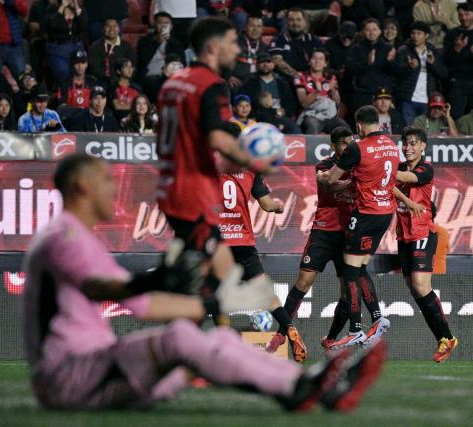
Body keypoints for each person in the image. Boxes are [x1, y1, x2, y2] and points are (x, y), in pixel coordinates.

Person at [23, 153, 386, 411]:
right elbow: (104, 289)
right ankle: (299, 387)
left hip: (94, 371)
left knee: (215, 337)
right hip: (72, 377)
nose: (113, 188)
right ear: (83, 185)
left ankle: (318, 383)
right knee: (180, 338)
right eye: (105, 180)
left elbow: (143, 304)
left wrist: (213, 306)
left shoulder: (74, 236)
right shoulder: (65, 237)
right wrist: (160, 278)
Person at [156, 17, 284, 328]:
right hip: (193, 193)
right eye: (231, 41)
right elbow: (217, 138)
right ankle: (183, 347)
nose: (237, 48)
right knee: (204, 280)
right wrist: (255, 161)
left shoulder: (173, 83)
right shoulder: (211, 85)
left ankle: (210, 344)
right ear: (213, 47)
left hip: (170, 187)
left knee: (214, 271)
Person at [269, 126, 379, 354]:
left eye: (351, 142)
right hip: (323, 232)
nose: (348, 146)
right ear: (334, 146)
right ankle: (281, 334)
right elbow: (327, 182)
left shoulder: (359, 166)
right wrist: (354, 183)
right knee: (303, 282)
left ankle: (330, 339)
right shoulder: (326, 165)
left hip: (349, 235)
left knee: (348, 292)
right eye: (343, 143)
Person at [317, 106, 398, 349]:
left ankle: (355, 330)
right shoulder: (392, 145)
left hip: (365, 214)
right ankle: (377, 317)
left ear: (360, 125)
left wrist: (322, 178)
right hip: (386, 214)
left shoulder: (357, 147)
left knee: (350, 272)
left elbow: (330, 180)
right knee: (360, 268)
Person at [217, 167, 308, 362]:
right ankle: (289, 328)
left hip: (220, 245)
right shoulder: (249, 170)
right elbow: (267, 205)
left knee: (222, 297)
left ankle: (223, 350)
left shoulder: (209, 166)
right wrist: (279, 207)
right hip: (243, 243)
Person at [394, 127, 458, 363]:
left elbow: (404, 179)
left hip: (423, 231)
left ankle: (448, 337)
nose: (408, 148)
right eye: (405, 143)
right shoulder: (397, 168)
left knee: (421, 286)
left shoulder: (425, 168)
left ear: (423, 146)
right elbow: (387, 185)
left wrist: (380, 168)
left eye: (413, 143)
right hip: (403, 235)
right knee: (415, 290)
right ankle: (443, 338)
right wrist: (407, 200)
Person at [392, 21, 448, 126]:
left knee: (426, 132)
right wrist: (409, 67)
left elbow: (444, 74)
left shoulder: (433, 51)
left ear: (426, 35)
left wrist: (433, 64)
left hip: (428, 100)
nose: (415, 36)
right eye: (413, 33)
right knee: (409, 131)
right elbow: (396, 72)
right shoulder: (404, 50)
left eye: (419, 33)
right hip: (408, 100)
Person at [443, 3, 473, 119]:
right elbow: (446, 62)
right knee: (456, 116)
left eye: (467, 14)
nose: (463, 18)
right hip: (457, 83)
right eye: (460, 15)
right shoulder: (451, 35)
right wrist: (457, 49)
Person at [294, 48, 349, 134]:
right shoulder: (301, 76)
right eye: (314, 58)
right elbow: (303, 103)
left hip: (328, 116)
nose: (317, 61)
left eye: (321, 59)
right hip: (310, 115)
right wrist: (317, 92)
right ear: (309, 61)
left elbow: (337, 101)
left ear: (325, 63)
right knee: (312, 125)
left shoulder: (330, 78)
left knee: (343, 126)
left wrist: (333, 90)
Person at [347, 18, 394, 113]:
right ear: (363, 31)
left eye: (375, 29)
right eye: (368, 30)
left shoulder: (388, 48)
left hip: (382, 94)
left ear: (380, 31)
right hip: (362, 93)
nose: (371, 33)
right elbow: (351, 69)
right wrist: (367, 63)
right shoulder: (356, 48)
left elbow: (394, 72)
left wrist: (391, 62)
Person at [240, 52, 299, 123]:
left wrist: (284, 111)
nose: (265, 65)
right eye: (262, 62)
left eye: (268, 62)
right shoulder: (250, 82)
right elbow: (244, 100)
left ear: (273, 65)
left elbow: (291, 103)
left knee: (294, 130)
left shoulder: (282, 82)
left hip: (279, 116)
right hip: (258, 117)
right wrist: (252, 116)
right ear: (257, 65)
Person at [269, 8, 324, 77]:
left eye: (299, 19)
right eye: (291, 20)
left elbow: (323, 61)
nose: (295, 23)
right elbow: (277, 61)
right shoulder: (278, 39)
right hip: (287, 80)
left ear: (305, 22)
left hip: (311, 79)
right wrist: (299, 77)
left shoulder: (314, 40)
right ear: (286, 22)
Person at [44, 0, 88, 82]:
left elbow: (84, 26)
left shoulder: (79, 9)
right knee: (63, 72)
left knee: (79, 71)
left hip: (76, 47)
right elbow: (51, 26)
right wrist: (62, 7)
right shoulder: (52, 9)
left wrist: (76, 7)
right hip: (57, 49)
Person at [137, 11, 184, 82]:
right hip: (150, 76)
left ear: (171, 27)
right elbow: (142, 61)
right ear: (155, 24)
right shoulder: (145, 40)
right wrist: (157, 42)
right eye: (160, 23)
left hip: (169, 76)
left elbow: (181, 63)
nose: (163, 26)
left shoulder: (176, 43)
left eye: (167, 23)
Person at [87, 19, 136, 87]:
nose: (111, 29)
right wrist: (109, 79)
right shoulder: (95, 47)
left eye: (114, 26)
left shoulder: (127, 47)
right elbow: (94, 69)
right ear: (103, 29)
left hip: (123, 81)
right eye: (108, 26)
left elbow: (133, 66)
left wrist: (122, 80)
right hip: (102, 82)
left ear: (119, 29)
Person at [56, 50, 99, 123]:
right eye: (77, 63)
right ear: (72, 64)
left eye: (83, 63)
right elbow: (61, 106)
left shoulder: (93, 82)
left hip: (90, 119)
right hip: (70, 119)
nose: (80, 66)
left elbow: (98, 103)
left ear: (87, 64)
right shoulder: (65, 82)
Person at [232, 15, 269, 84]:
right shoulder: (234, 44)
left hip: (257, 82)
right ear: (245, 28)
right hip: (238, 81)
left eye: (258, 26)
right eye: (252, 26)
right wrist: (229, 77)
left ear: (262, 29)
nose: (255, 29)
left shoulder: (265, 47)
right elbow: (223, 63)